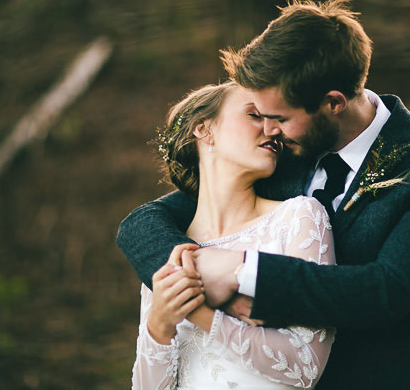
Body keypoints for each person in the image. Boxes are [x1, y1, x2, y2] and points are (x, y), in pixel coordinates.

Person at [119, 0, 410, 389]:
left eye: (278, 118)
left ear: (333, 103)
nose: (269, 130)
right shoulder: (280, 152)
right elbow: (143, 223)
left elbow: (387, 291)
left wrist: (243, 273)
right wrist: (194, 273)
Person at [131, 81, 336, 389]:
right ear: (204, 129)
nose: (273, 130)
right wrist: (159, 326)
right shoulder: (167, 253)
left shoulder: (299, 218)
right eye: (255, 115)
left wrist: (201, 311)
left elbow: (306, 366)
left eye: (276, 120)